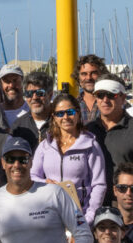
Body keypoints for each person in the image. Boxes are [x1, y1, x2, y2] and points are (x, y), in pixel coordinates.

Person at [30, 93, 106, 224]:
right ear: (54, 117)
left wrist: (89, 217)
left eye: (70, 112)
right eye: (60, 113)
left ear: (78, 113)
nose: (65, 117)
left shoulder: (90, 145)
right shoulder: (45, 146)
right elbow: (32, 176)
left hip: (79, 217)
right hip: (49, 216)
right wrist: (45, 183)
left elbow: (99, 184)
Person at [86, 77, 133, 211]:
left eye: (111, 95)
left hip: (127, 209)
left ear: (123, 98)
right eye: (100, 95)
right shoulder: (88, 131)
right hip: (92, 208)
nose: (105, 100)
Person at [21, 71, 54, 142]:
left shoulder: (61, 122)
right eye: (29, 93)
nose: (34, 97)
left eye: (40, 93)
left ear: (50, 95)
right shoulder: (19, 126)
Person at [75, 53, 106, 123]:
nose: (89, 78)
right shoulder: (73, 105)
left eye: (93, 73)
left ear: (102, 74)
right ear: (78, 78)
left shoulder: (112, 103)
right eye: (84, 74)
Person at [0, 63, 29, 128]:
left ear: (23, 82)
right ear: (0, 84)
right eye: (7, 81)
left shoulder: (31, 110)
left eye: (15, 80)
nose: (11, 85)